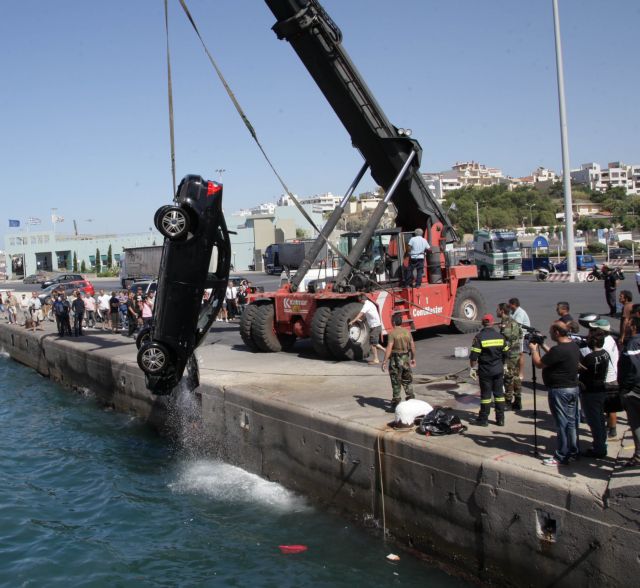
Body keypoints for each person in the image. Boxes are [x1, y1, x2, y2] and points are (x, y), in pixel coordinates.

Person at [529, 321, 581, 466]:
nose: (550, 333)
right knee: (571, 422)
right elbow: (554, 355)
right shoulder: (572, 346)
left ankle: (561, 455)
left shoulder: (559, 350)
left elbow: (539, 363)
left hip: (560, 391)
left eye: (551, 331)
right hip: (572, 389)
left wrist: (534, 350)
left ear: (557, 332)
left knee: (562, 424)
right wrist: (542, 344)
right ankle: (573, 450)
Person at [469, 313, 509, 427]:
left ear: (483, 323)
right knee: (499, 395)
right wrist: (504, 365)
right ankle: (500, 419)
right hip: (498, 370)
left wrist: (473, 368)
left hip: (485, 371)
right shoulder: (500, 337)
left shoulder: (479, 337)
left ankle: (483, 419)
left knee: (486, 396)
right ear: (492, 323)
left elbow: (474, 356)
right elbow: (506, 353)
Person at [585, 318, 620, 439]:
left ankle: (610, 429)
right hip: (613, 376)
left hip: (607, 379)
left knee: (607, 407)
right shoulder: (610, 339)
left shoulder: (604, 343)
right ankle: (611, 428)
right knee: (611, 407)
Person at [578, 330, 609, 458]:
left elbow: (581, 369)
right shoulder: (605, 353)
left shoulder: (590, 358)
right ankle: (601, 442)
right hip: (600, 388)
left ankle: (599, 448)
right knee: (600, 419)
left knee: (594, 420)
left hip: (590, 391)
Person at [618, 316, 640, 467]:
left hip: (634, 390)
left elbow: (631, 370)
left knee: (636, 423)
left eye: (627, 323)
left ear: (633, 327)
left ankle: (638, 456)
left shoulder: (632, 344)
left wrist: (626, 389)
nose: (624, 325)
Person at [381, 314, 416, 411]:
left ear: (393, 322)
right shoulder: (407, 332)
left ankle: (396, 405)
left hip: (395, 360)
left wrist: (384, 361)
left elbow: (389, 348)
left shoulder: (392, 333)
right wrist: (413, 358)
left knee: (396, 381)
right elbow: (412, 346)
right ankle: (412, 402)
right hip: (405, 359)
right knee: (407, 380)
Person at [497, 303, 523, 411]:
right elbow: (520, 334)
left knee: (508, 378)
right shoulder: (514, 321)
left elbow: (508, 338)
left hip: (509, 355)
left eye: (497, 310)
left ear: (502, 311)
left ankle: (508, 401)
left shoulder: (506, 323)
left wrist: (504, 350)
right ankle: (518, 400)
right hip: (516, 353)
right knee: (516, 377)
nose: (496, 311)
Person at [349, 295, 385, 364]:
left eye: (360, 300)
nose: (360, 302)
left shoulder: (366, 305)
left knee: (373, 343)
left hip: (375, 327)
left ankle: (377, 359)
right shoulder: (370, 304)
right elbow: (369, 315)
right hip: (376, 327)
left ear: (363, 300)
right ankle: (385, 351)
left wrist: (353, 321)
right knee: (374, 343)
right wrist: (362, 321)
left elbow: (361, 314)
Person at [509, 297, 530, 381]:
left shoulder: (520, 312)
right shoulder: (513, 312)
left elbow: (516, 325)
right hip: (515, 335)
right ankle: (515, 371)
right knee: (514, 354)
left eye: (510, 305)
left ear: (514, 304)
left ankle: (521, 373)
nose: (509, 306)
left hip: (521, 335)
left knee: (520, 354)